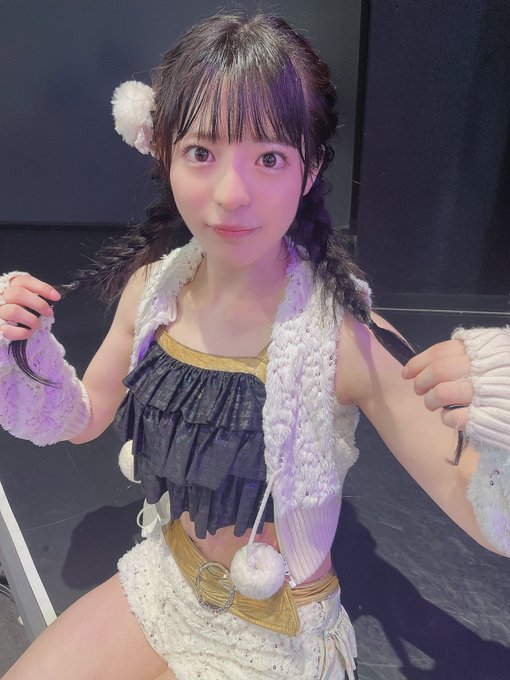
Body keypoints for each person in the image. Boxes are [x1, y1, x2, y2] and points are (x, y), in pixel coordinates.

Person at [0, 12, 508, 680]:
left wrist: (502, 411)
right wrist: (20, 354)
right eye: (201, 153)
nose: (231, 195)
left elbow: (485, 515)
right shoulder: (154, 291)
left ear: (309, 168)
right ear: (163, 152)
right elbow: (86, 414)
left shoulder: (343, 335)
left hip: (277, 629)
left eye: (269, 158)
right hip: (167, 579)